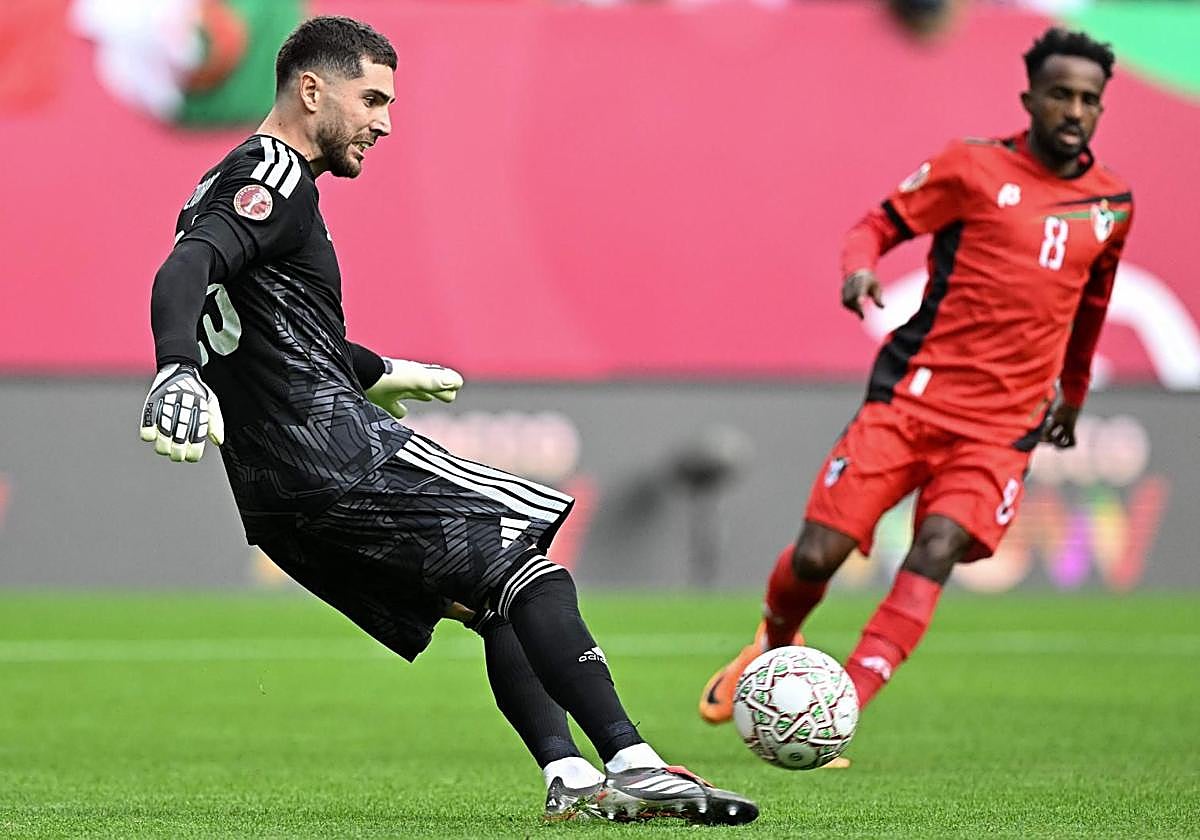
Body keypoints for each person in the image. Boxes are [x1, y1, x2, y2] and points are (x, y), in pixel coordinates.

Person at [139, 15, 757, 825]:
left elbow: (265, 321)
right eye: (372, 99)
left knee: (494, 599)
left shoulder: (222, 182)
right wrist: (175, 366)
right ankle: (634, 761)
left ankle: (571, 775)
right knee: (528, 564)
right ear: (311, 90)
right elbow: (185, 269)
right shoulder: (274, 175)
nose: (385, 123)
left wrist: (377, 372)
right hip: (337, 456)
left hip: (273, 497)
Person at [698, 27, 1133, 752]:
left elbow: (1092, 305)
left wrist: (1075, 394)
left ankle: (841, 711)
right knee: (816, 556)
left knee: (936, 547)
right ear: (1029, 98)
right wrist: (858, 269)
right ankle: (770, 642)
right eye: (1061, 94)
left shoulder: (1111, 203)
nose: (1075, 110)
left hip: (1003, 426)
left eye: (1090, 99)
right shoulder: (972, 167)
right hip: (912, 399)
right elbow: (876, 225)